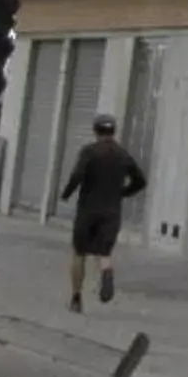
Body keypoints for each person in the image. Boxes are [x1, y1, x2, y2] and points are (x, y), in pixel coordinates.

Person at [58, 114, 146, 310]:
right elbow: (140, 181)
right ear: (113, 131)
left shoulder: (89, 152)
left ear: (95, 130)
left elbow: (77, 174)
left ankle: (76, 298)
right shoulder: (123, 155)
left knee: (79, 252)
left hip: (88, 210)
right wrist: (122, 193)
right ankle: (107, 271)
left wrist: (66, 193)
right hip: (111, 211)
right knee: (104, 252)